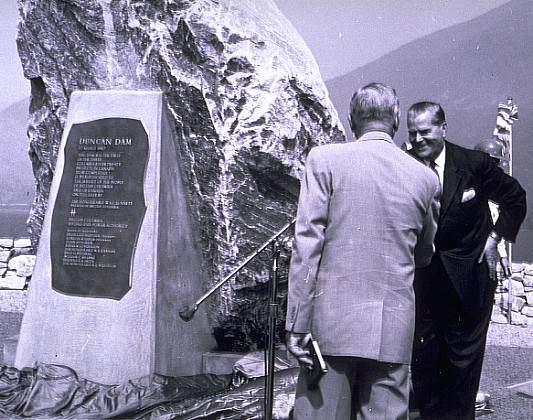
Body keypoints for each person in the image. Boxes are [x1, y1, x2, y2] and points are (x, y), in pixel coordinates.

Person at [285, 82, 441, 419]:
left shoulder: (324, 160)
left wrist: (297, 322)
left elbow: (307, 246)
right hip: (393, 328)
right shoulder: (425, 178)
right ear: (396, 119)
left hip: (332, 326)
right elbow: (425, 252)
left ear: (352, 118)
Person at [406, 102, 527, 419]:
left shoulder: (473, 164)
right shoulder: (403, 165)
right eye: (412, 133)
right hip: (423, 287)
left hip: (469, 285)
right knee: (424, 365)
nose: (418, 139)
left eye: (425, 132)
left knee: (462, 371)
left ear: (443, 129)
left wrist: (494, 238)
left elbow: (515, 198)